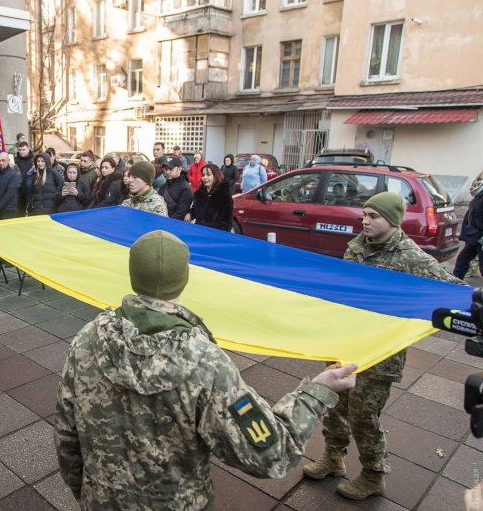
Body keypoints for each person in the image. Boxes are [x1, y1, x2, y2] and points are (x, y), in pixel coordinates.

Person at [55, 230, 358, 510]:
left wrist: (83, 491)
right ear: (184, 278)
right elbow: (270, 454)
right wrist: (318, 391)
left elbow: (66, 434)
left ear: (134, 275)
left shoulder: (87, 339)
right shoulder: (206, 361)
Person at [303, 192, 463, 500]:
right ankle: (333, 457)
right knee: (334, 406)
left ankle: (373, 475)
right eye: (364, 214)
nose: (365, 221)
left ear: (391, 220)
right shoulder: (357, 248)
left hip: (379, 354)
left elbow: (453, 291)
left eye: (373, 216)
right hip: (345, 343)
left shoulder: (411, 257)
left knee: (363, 417)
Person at [185, 164, 233, 231]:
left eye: (208, 174)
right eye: (203, 175)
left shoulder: (224, 195)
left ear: (216, 175)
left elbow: (226, 224)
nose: (205, 177)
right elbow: (195, 209)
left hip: (214, 235)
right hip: (198, 232)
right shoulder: (198, 194)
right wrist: (189, 213)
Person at [453, 185, 483, 280]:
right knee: (462, 260)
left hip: (479, 236)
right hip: (475, 236)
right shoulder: (480, 196)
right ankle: (455, 284)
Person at [159, 156, 194, 221]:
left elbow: (180, 214)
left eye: (171, 169)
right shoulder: (163, 186)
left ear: (179, 169)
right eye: (166, 169)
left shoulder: (185, 189)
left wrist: (164, 222)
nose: (167, 172)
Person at [0, 152, 19, 221]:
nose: (1, 163)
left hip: (8, 209)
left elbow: (10, 193)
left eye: (3, 160)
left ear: (8, 161)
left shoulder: (13, 174)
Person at [14, 142, 34, 216]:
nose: (22, 152)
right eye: (20, 150)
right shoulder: (15, 160)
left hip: (29, 188)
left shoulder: (33, 160)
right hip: (18, 189)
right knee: (18, 211)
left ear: (28, 149)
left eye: (23, 149)